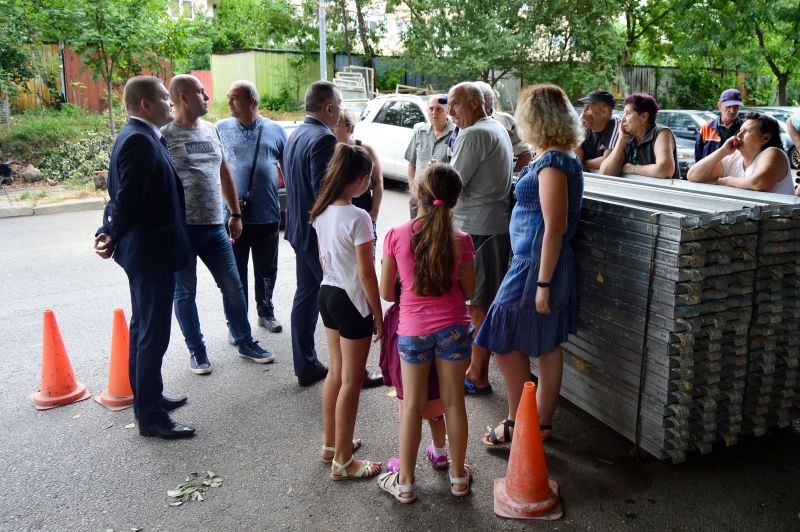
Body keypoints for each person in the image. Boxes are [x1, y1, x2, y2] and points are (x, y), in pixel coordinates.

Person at [476, 84, 584, 446]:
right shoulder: (557, 156)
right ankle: (539, 423)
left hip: (535, 265)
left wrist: (543, 284)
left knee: (502, 338)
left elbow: (555, 226)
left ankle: (518, 420)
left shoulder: (553, 162)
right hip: (536, 262)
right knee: (546, 343)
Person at [93, 76, 194, 439]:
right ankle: (151, 417)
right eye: (166, 98)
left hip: (150, 251)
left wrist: (109, 230)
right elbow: (128, 197)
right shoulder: (138, 138)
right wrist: (110, 231)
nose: (171, 103)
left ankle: (150, 398)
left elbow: (127, 193)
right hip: (151, 254)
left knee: (143, 329)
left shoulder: (143, 135)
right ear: (146, 104)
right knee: (153, 334)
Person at [162, 75, 273, 376]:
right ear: (184, 97)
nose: (207, 97)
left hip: (215, 226)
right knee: (185, 293)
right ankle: (197, 351)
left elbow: (224, 172)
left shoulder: (211, 130)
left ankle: (244, 341)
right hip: (182, 230)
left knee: (233, 287)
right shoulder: (164, 135)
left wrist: (235, 213)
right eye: (201, 92)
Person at [378, 163, 475, 503]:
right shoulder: (462, 240)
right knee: (454, 402)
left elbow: (387, 292)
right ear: (454, 200)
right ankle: (459, 478)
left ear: (418, 193)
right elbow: (469, 291)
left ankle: (405, 483)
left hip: (413, 331)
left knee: (412, 405)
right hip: (454, 329)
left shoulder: (396, 235)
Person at [283, 80, 383, 389]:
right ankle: (353, 373)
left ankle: (306, 364)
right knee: (346, 295)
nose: (340, 112)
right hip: (319, 237)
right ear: (329, 108)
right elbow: (324, 191)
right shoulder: (324, 139)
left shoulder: (296, 132)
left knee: (306, 296)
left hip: (299, 231)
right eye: (338, 106)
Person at [310, 143, 383, 481]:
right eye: (367, 178)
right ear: (359, 179)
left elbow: (326, 259)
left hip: (327, 294)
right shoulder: (359, 217)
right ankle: (343, 461)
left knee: (336, 375)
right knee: (352, 381)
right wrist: (378, 314)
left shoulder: (321, 211)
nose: (368, 184)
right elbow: (366, 274)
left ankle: (332, 445)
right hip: (352, 300)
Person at [447, 82, 513, 397]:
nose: (450, 112)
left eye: (455, 104)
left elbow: (452, 185)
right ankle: (475, 369)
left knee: (478, 305)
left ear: (474, 103)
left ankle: (478, 375)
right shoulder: (496, 128)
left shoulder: (473, 134)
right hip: (491, 227)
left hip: (479, 228)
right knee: (480, 303)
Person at [217, 80, 285, 335]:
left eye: (234, 98)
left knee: (267, 269)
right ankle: (237, 321)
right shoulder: (220, 128)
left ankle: (266, 312)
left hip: (267, 214)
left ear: (251, 101)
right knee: (234, 273)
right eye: (228, 97)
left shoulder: (275, 130)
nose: (229, 103)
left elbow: (288, 170)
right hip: (233, 217)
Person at [379, 301, 450, 475]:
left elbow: (387, 293)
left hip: (409, 323)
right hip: (441, 320)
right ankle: (440, 453)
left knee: (410, 409)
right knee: (435, 403)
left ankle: (405, 470)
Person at [687, 112, 795, 195]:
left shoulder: (774, 153)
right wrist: (722, 151)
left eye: (746, 131)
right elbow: (693, 176)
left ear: (765, 138)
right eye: (740, 131)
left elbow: (759, 183)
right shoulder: (734, 157)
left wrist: (725, 181)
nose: (739, 135)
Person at [333, 109, 384, 243]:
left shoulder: (365, 149)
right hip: (339, 212)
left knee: (365, 249)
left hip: (363, 208)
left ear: (349, 128)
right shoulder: (331, 150)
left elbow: (378, 181)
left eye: (336, 125)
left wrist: (374, 212)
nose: (332, 128)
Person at [600, 92, 679, 179]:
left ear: (644, 117)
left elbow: (665, 170)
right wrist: (621, 140)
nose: (622, 119)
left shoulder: (661, 133)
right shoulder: (628, 138)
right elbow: (606, 172)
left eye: (628, 113)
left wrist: (633, 169)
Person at [404, 95, 455, 217]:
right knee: (415, 228)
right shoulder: (420, 132)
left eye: (439, 109)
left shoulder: (455, 134)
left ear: (447, 111)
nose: (434, 113)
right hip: (418, 198)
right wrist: (413, 189)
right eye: (431, 108)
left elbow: (457, 170)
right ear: (427, 110)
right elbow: (411, 164)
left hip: (441, 200)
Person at [474, 80, 533, 171]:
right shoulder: (462, 122)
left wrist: (512, 176)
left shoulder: (504, 120)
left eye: (473, 99)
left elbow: (525, 154)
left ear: (486, 99)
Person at [575, 90, 620, 170]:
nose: (583, 113)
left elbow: (607, 161)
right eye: (584, 108)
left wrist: (582, 163)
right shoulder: (584, 126)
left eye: (588, 108)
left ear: (604, 111)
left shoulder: (616, 124)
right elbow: (574, 157)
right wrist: (578, 126)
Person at [695, 89, 744, 162]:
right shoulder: (706, 128)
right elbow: (698, 158)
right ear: (719, 106)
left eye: (736, 106)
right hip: (711, 169)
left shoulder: (744, 129)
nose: (732, 111)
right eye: (728, 106)